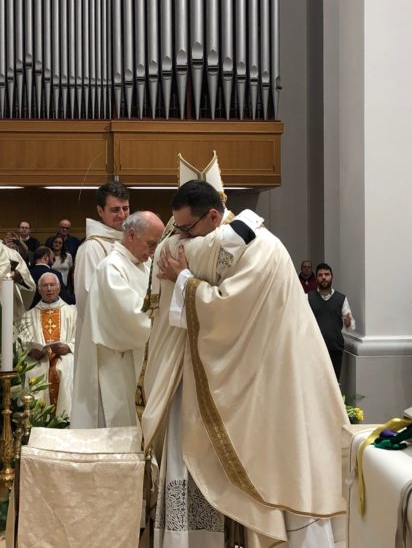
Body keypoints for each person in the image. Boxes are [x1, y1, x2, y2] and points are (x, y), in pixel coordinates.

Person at [144, 181, 348, 548]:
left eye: (186, 229)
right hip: (247, 369)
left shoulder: (258, 248)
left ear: (213, 216)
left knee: (279, 461)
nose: (182, 239)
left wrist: (184, 280)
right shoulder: (225, 243)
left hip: (276, 376)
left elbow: (227, 310)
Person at [71, 211, 164, 429]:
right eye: (151, 244)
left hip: (140, 360)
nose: (153, 251)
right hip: (117, 364)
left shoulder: (145, 265)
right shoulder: (111, 268)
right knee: (118, 424)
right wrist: (164, 321)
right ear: (131, 235)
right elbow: (132, 318)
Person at [71, 182, 131, 333]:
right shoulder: (92, 247)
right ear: (100, 211)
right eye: (115, 210)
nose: (122, 215)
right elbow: (88, 300)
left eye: (125, 208)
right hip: (103, 335)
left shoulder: (130, 242)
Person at [19, 272, 77, 418]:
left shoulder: (72, 312)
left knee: (64, 367)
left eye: (52, 285)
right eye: (45, 285)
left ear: (59, 288)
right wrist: (32, 351)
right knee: (34, 370)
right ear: (39, 289)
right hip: (39, 360)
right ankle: (38, 420)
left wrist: (68, 347)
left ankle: (65, 420)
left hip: (64, 357)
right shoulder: (28, 315)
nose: (49, 289)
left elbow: (80, 338)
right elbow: (22, 341)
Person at [308, 263, 355, 380]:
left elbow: (350, 326)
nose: (324, 277)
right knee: (315, 383)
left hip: (335, 349)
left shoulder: (341, 299)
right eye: (320, 275)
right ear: (316, 278)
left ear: (332, 277)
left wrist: (348, 323)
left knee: (334, 382)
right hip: (314, 349)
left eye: (327, 274)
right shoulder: (307, 298)